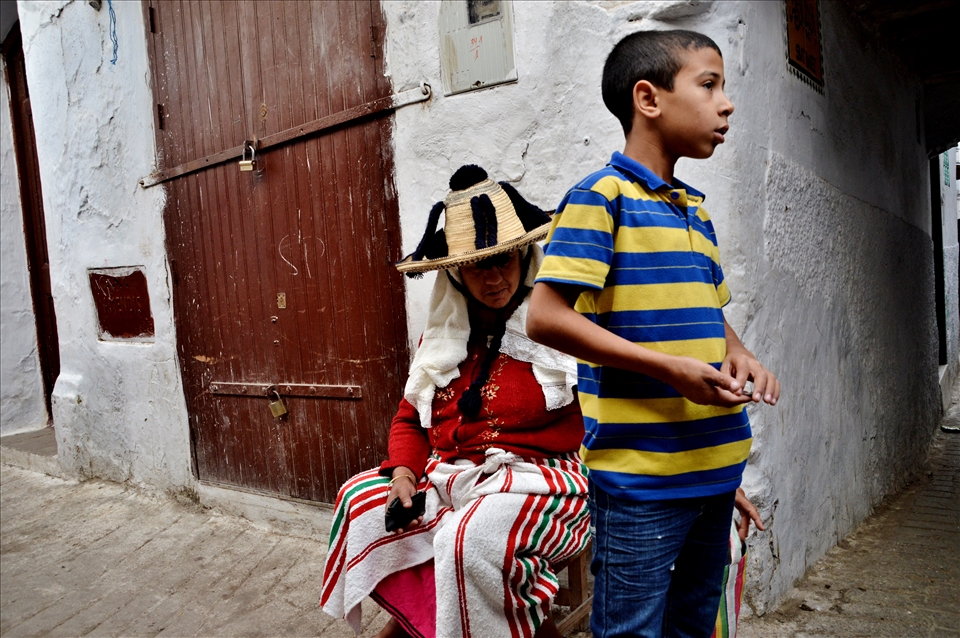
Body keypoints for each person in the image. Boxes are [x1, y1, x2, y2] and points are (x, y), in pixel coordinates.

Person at [526, 30, 780, 638]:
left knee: (694, 626)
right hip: (641, 481)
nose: (728, 104)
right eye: (709, 84)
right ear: (648, 98)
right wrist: (669, 369)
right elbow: (547, 316)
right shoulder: (599, 198)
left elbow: (708, 310)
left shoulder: (695, 208)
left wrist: (739, 352)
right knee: (634, 631)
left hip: (715, 470)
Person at [320, 165, 590, 638]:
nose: (493, 279)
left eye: (504, 261)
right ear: (456, 274)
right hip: (453, 479)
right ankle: (424, 622)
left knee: (470, 540)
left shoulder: (560, 328)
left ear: (525, 257)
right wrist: (404, 473)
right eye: (476, 266)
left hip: (543, 480)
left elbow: (615, 403)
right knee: (360, 503)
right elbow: (409, 418)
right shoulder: (441, 341)